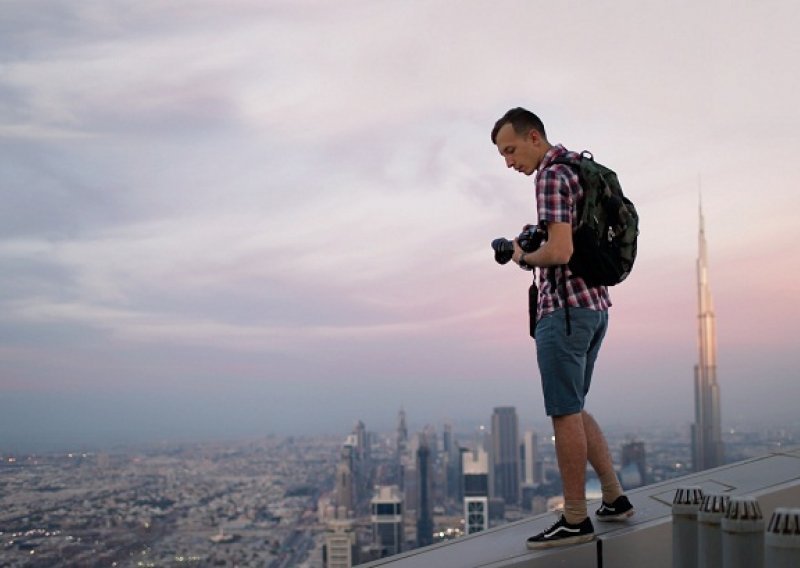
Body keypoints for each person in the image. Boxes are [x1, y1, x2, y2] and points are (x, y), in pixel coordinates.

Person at [490, 108, 634, 550]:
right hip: (594, 308)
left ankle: (575, 517)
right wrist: (532, 238)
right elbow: (563, 235)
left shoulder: (551, 175)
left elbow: (560, 250)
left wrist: (521, 256)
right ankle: (613, 498)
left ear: (535, 137)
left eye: (511, 150)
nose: (509, 162)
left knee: (563, 412)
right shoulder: (577, 169)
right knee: (575, 405)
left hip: (566, 312)